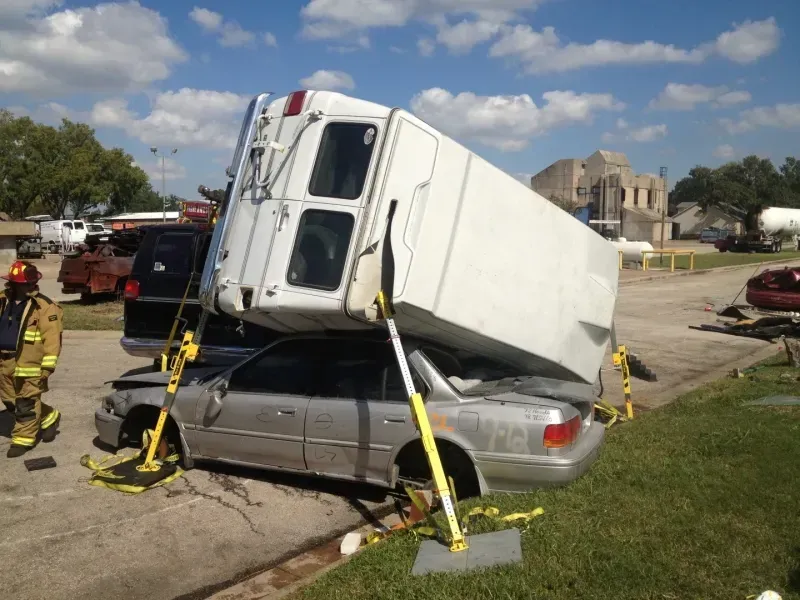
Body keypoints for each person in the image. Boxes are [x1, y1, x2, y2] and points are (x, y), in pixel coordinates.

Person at [0, 260, 64, 458]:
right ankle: (49, 416)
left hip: (30, 365)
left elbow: (52, 339)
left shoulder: (44, 307)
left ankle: (23, 440)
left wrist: (47, 367)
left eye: (32, 283)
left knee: (26, 402)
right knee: (10, 401)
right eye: (25, 283)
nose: (31, 286)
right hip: (4, 361)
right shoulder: (2, 300)